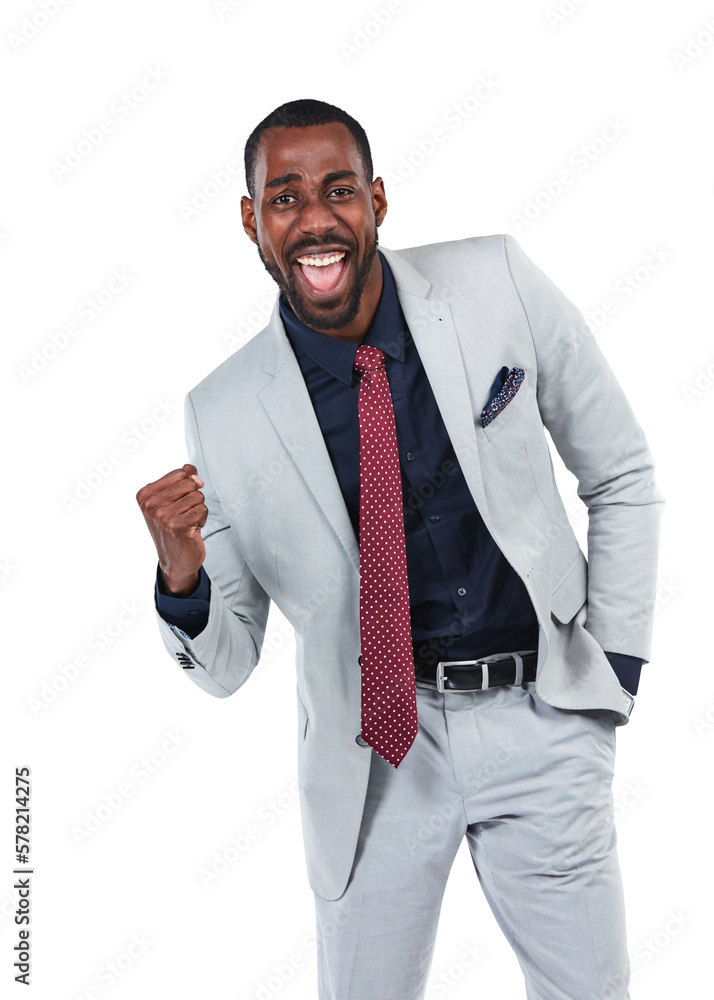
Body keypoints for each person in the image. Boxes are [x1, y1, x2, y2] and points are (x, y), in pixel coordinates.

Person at [136, 98, 664, 999]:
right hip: (376, 751)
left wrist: (611, 666)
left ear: (377, 199)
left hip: (542, 710)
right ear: (251, 220)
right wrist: (180, 570)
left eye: (338, 191)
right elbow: (226, 665)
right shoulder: (221, 412)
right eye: (284, 198)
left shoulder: (497, 281)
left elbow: (618, 473)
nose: (315, 221)